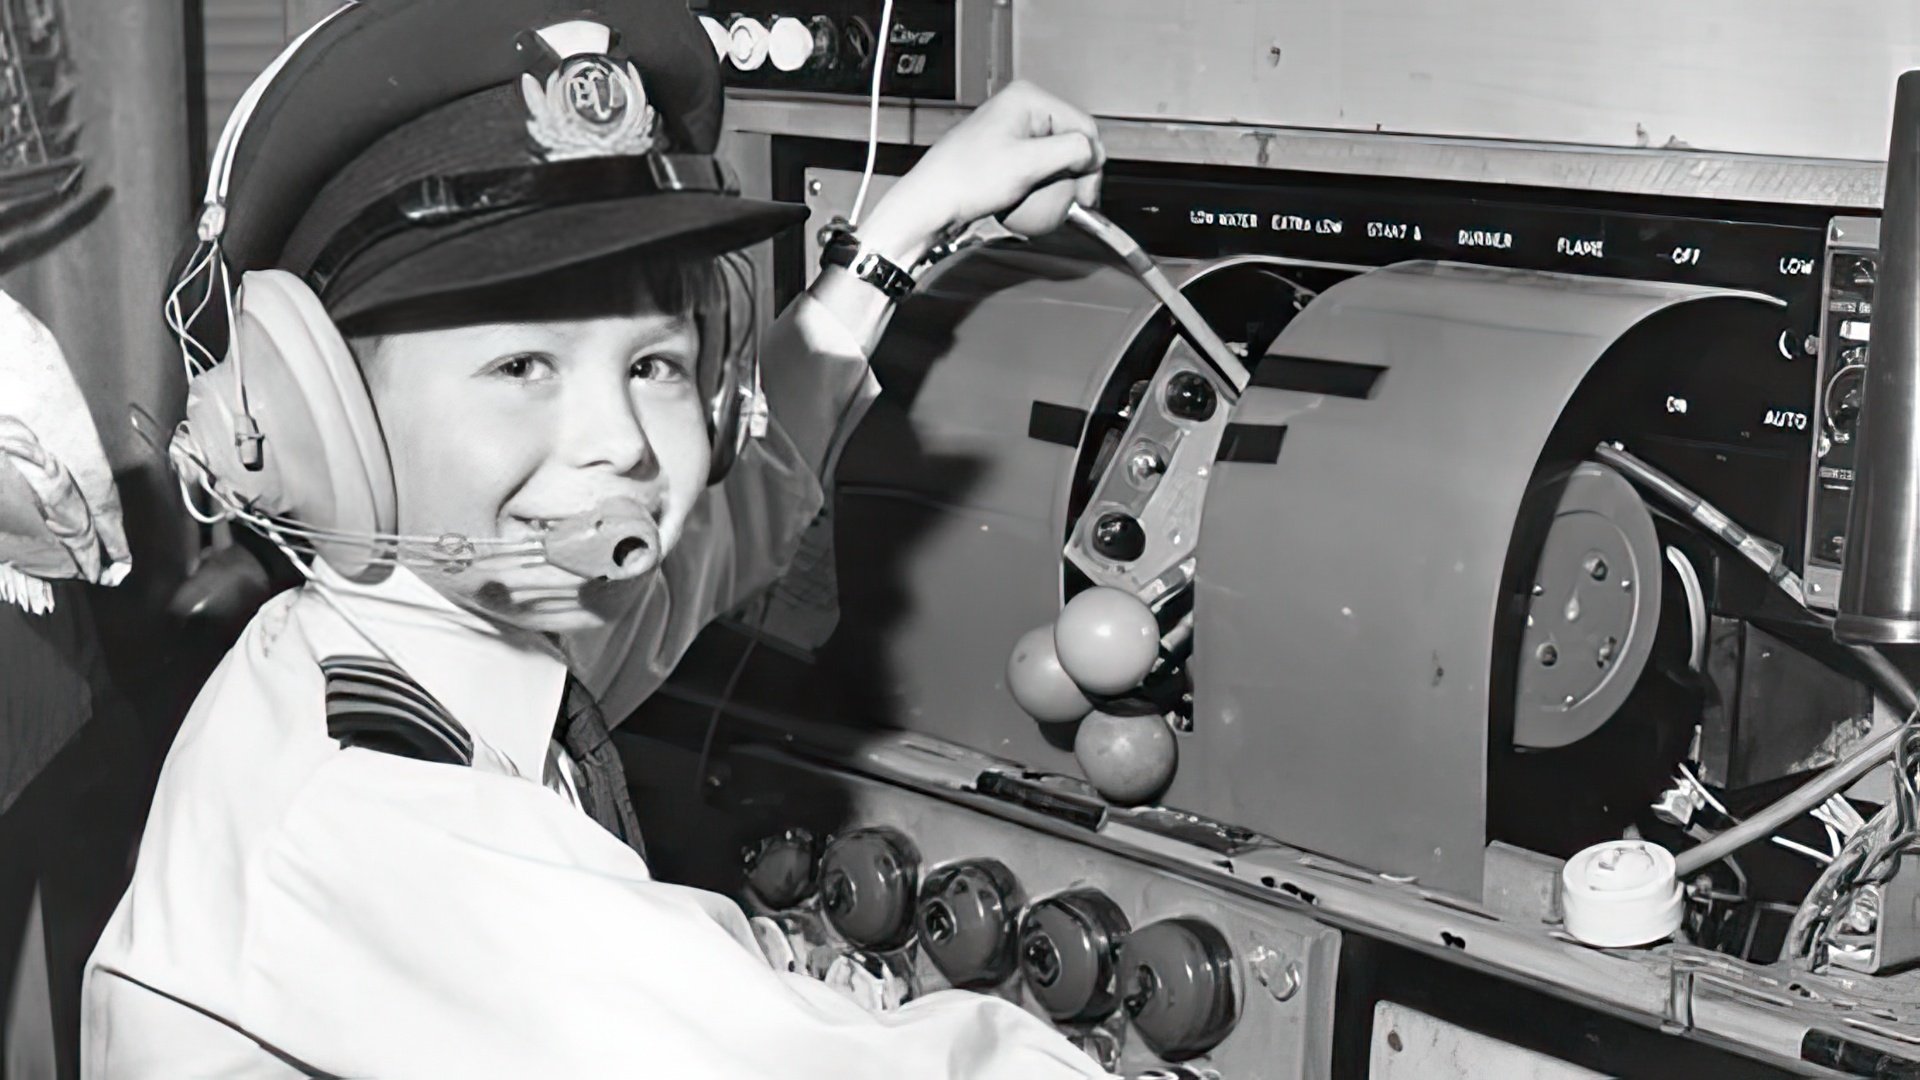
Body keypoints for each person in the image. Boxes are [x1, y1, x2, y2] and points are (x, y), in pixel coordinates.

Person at [80, 1, 1113, 1076]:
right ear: (319, 423)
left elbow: (722, 531)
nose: (619, 443)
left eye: (656, 366)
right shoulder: (378, 812)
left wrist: (908, 226)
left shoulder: (447, 644)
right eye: (522, 367)